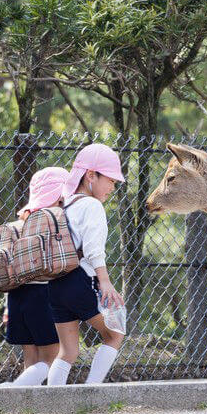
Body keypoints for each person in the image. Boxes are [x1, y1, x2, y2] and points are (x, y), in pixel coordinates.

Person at [46, 144, 125, 386]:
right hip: (80, 279)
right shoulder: (92, 206)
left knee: (68, 351)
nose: (112, 187)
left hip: (56, 283)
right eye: (109, 180)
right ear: (91, 175)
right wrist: (105, 282)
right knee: (114, 334)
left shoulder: (65, 205)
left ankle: (49, 405)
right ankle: (91, 392)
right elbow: (92, 250)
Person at [0, 167, 68, 387]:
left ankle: (27, 406)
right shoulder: (55, 224)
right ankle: (12, 391)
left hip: (18, 297)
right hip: (45, 295)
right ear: (59, 197)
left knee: (31, 360)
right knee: (52, 357)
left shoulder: (21, 224)